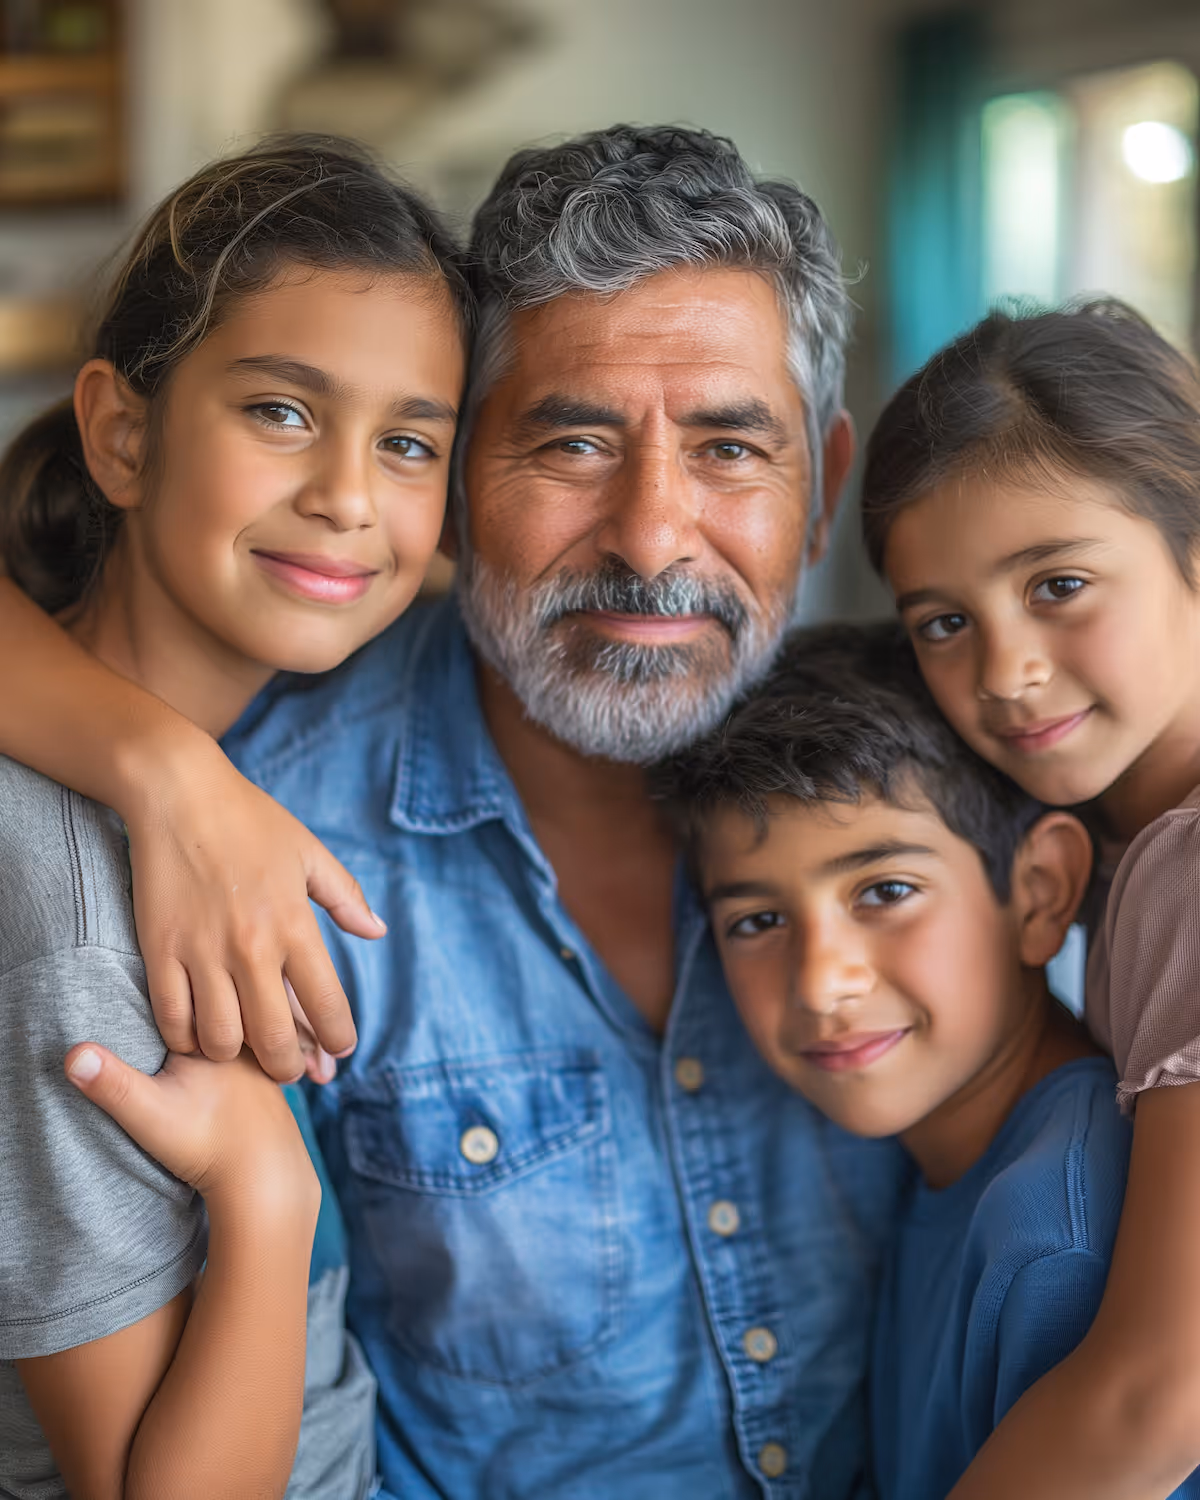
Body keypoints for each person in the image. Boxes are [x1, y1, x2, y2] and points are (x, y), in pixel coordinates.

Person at [0, 125, 906, 1496]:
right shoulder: (244, 869)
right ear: (471, 492)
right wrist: (164, 770)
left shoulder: (959, 774)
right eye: (572, 443)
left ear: (824, 486)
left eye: (729, 448)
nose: (654, 536)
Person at [0, 135, 469, 1497]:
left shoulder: (251, 725)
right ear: (122, 434)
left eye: (406, 444)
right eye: (279, 411)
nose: (345, 495)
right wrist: (269, 1199)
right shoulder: (75, 919)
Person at [658, 620, 1198, 1499]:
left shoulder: (1057, 1237)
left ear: (1039, 892)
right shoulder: (954, 1173)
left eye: (885, 891)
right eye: (757, 921)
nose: (824, 982)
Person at [860, 299, 1200, 1498]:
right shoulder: (1119, 840)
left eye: (1058, 584)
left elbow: (1160, 1393)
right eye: (945, 623)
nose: (1004, 673)